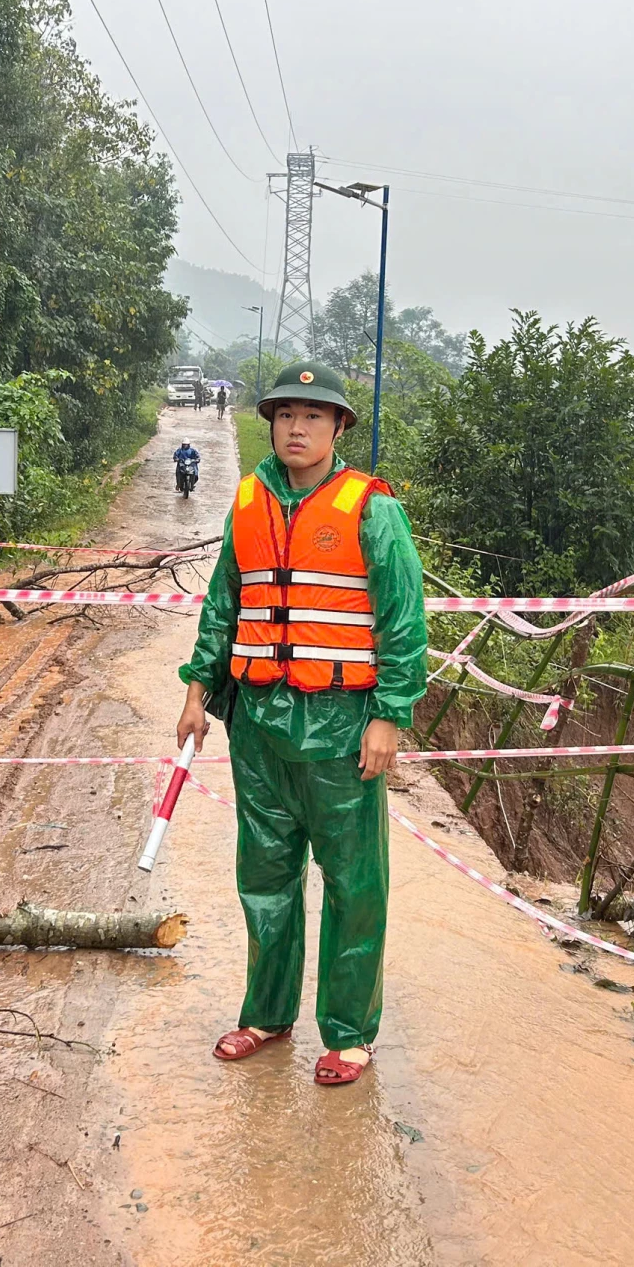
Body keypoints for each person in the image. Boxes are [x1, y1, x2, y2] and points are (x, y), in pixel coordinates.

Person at [176, 360, 427, 1086]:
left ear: (339, 427)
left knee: (353, 882)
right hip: (256, 721)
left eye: (313, 416)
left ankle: (349, 1033)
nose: (297, 427)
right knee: (265, 873)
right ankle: (268, 1013)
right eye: (286, 414)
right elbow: (224, 604)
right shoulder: (248, 502)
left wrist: (390, 715)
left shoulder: (372, 509)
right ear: (272, 423)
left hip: (342, 723)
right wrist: (198, 689)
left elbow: (404, 622)